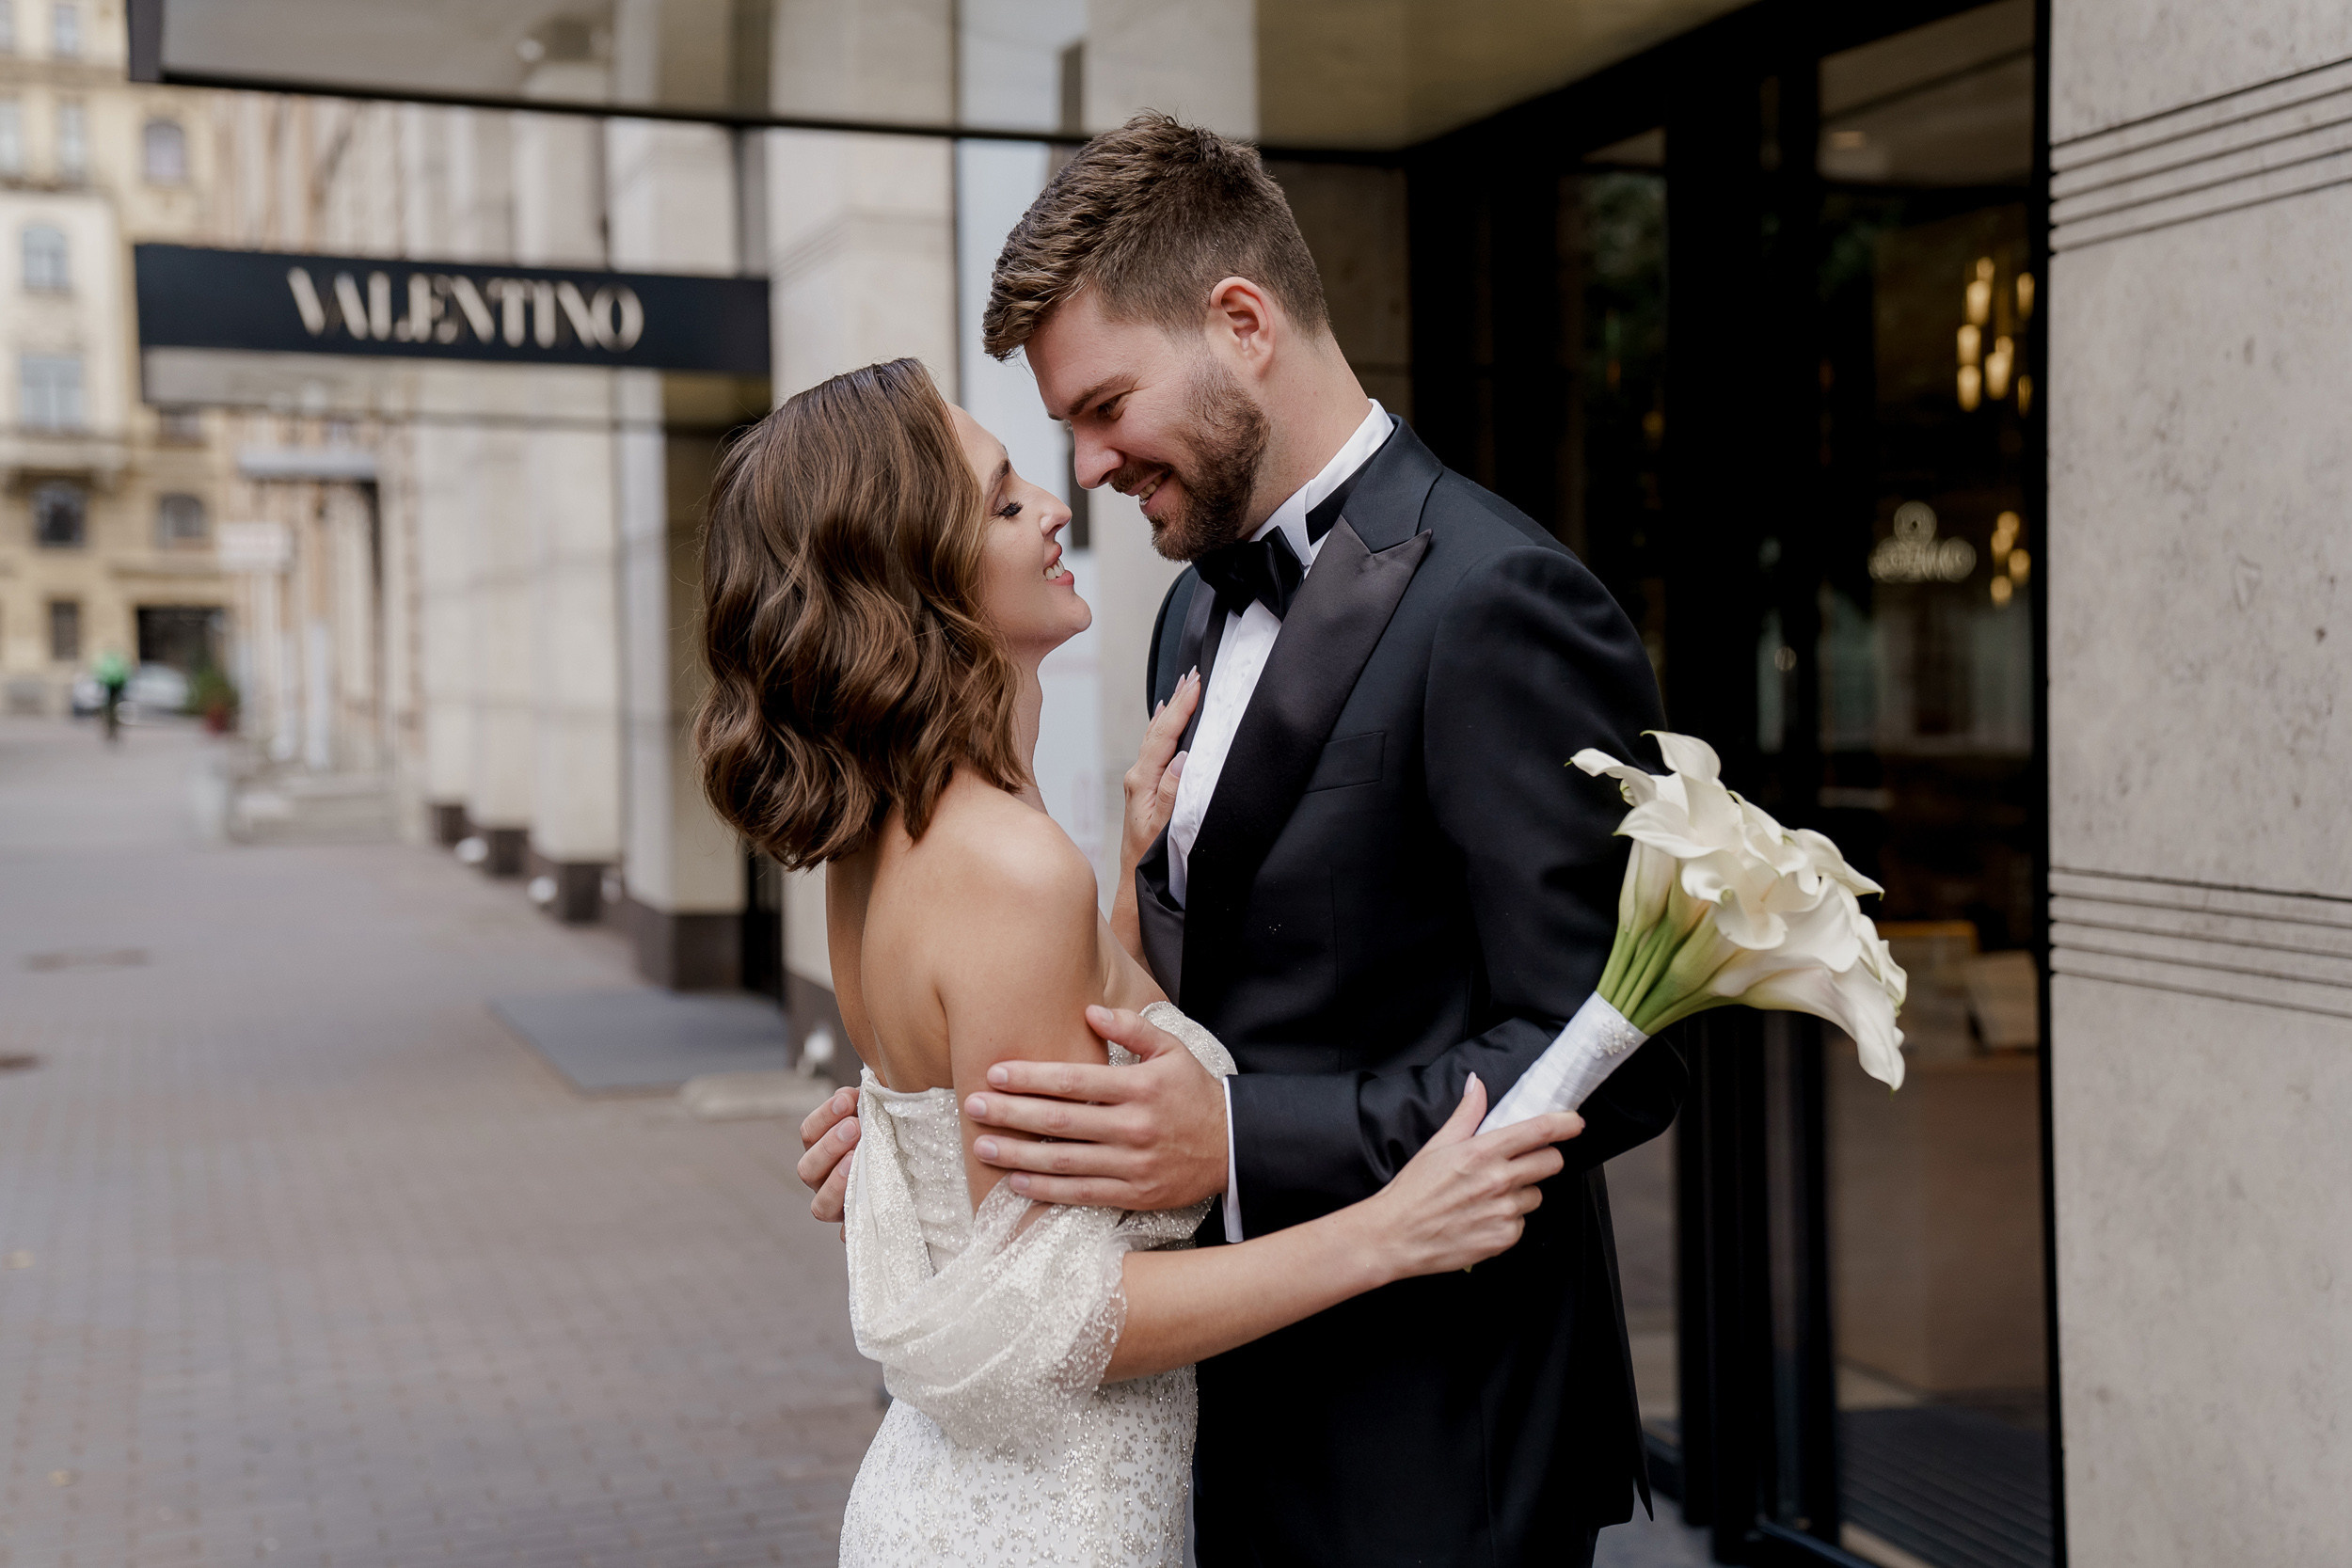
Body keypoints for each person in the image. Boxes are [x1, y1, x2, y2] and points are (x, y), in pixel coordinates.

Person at [796, 114, 1687, 1566]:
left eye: (1103, 406)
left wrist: (1240, 1140)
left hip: (1433, 1435)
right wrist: (932, 1146)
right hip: (1212, 1402)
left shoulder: (1504, 600)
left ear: (1242, 321)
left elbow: (1615, 1043)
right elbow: (1191, 997)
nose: (1081, 469)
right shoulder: (1191, 611)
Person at [694, 356, 1584, 1566]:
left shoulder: (894, 840)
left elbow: (1025, 1158)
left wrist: (1125, 887)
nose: (1062, 498)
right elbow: (1057, 1313)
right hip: (1050, 1519)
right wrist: (1389, 1229)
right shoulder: (1003, 867)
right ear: (919, 581)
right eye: (1006, 499)